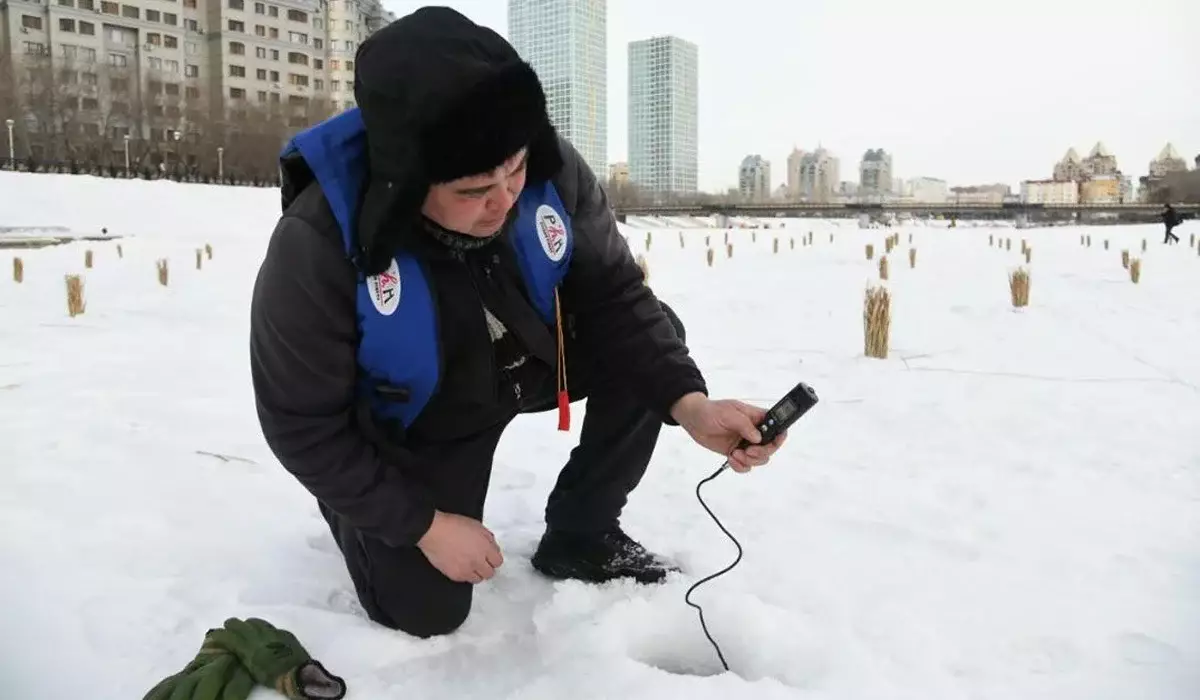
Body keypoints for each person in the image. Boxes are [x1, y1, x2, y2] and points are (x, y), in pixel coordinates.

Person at [248, 6, 786, 639]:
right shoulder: (317, 242)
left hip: (529, 362)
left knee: (655, 332)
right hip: (421, 417)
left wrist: (690, 404)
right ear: (407, 179)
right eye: (476, 190)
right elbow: (303, 425)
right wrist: (424, 524)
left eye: (515, 172)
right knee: (425, 612)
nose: (504, 202)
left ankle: (582, 532)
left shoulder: (550, 168)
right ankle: (362, 511)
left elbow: (615, 297)